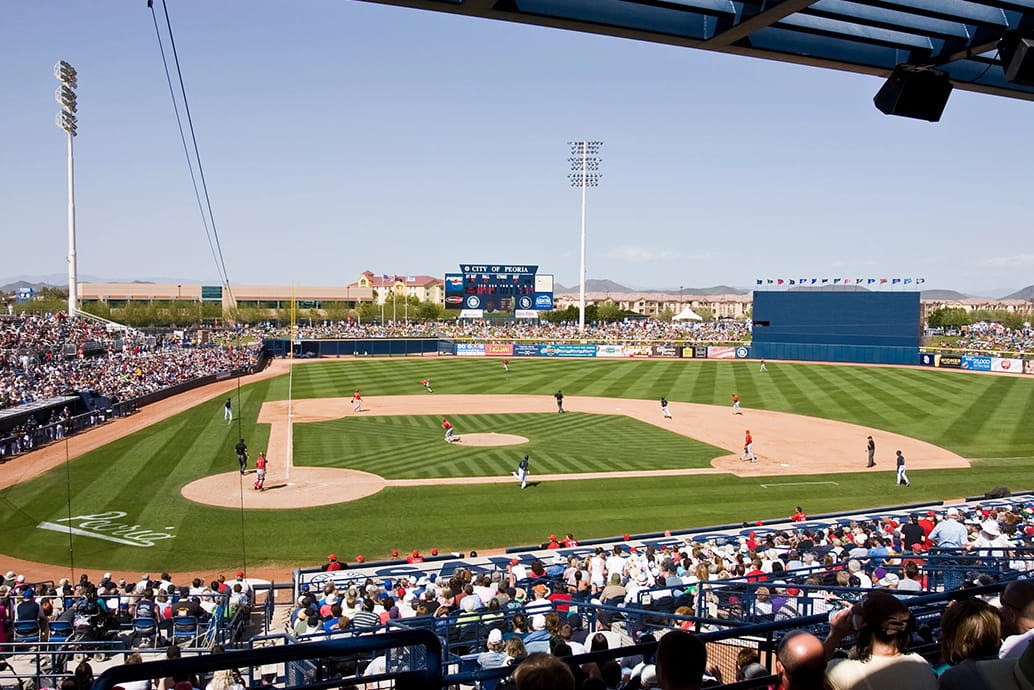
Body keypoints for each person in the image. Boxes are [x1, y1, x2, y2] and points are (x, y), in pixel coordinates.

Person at [823, 591, 936, 690]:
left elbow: (808, 678)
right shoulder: (920, 663)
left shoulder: (843, 671)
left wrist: (834, 636)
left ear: (859, 624)